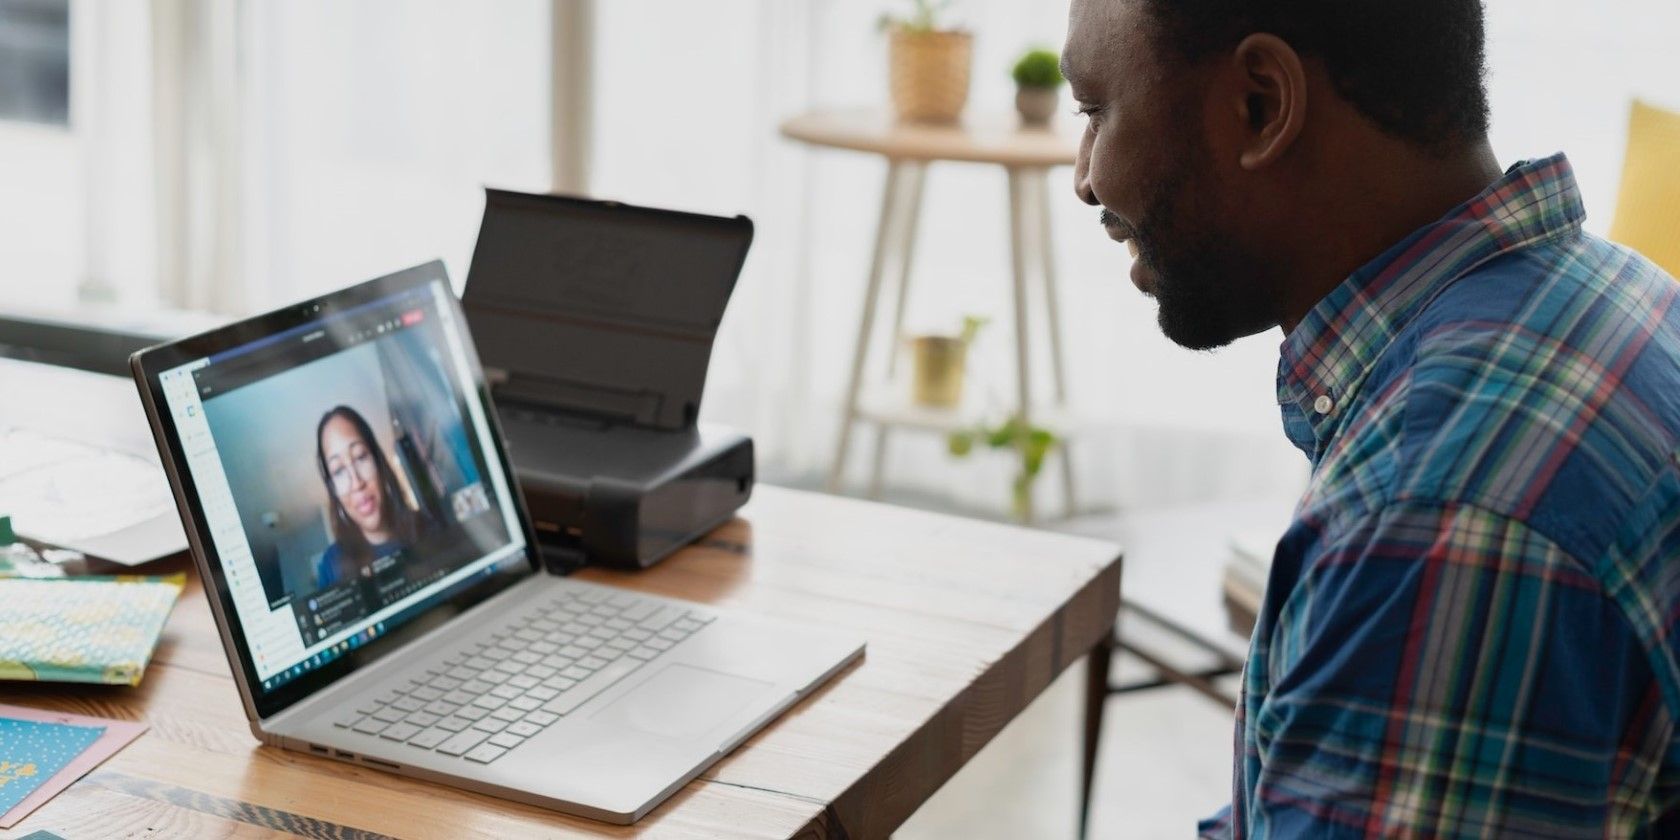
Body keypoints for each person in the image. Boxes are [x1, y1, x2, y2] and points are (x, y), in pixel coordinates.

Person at [1062, 0, 1680, 836]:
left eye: (1096, 109)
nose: (1086, 175)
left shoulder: (1432, 520)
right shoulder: (1618, 298)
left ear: (1261, 105)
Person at [313, 405, 423, 587]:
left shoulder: (427, 525)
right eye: (339, 470)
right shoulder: (331, 566)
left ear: (379, 462)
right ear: (334, 491)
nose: (356, 483)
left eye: (360, 457)